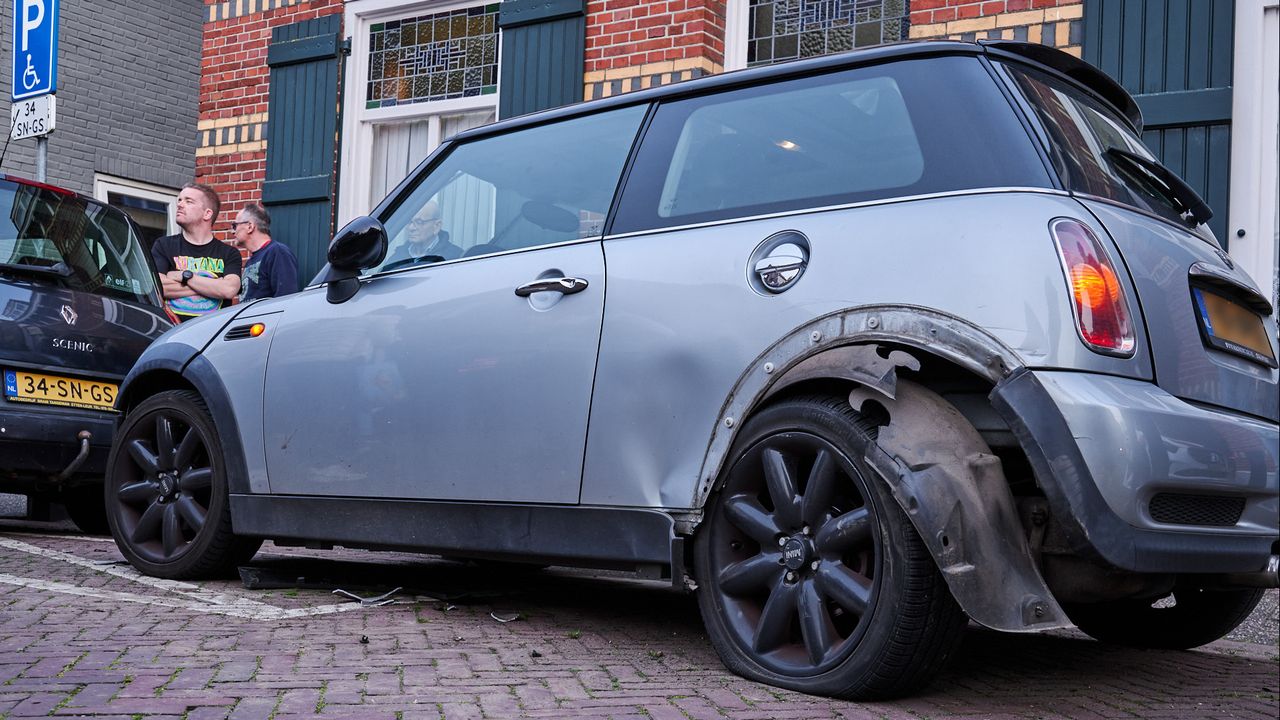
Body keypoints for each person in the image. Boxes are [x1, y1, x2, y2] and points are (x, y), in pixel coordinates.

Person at [151, 183, 242, 322]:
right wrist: (213, 287)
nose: (180, 205)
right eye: (180, 200)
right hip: (172, 330)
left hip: (213, 331)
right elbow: (157, 288)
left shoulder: (229, 253)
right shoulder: (163, 245)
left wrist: (184, 276)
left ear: (207, 214)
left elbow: (229, 290)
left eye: (188, 201)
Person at [234, 202, 299, 302]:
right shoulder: (251, 261)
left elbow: (286, 299)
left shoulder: (278, 252)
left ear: (250, 226)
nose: (232, 231)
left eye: (235, 225)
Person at [383, 200, 462, 267]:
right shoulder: (398, 256)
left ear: (437, 226)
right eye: (409, 222)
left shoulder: (455, 257)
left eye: (419, 222)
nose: (411, 228)